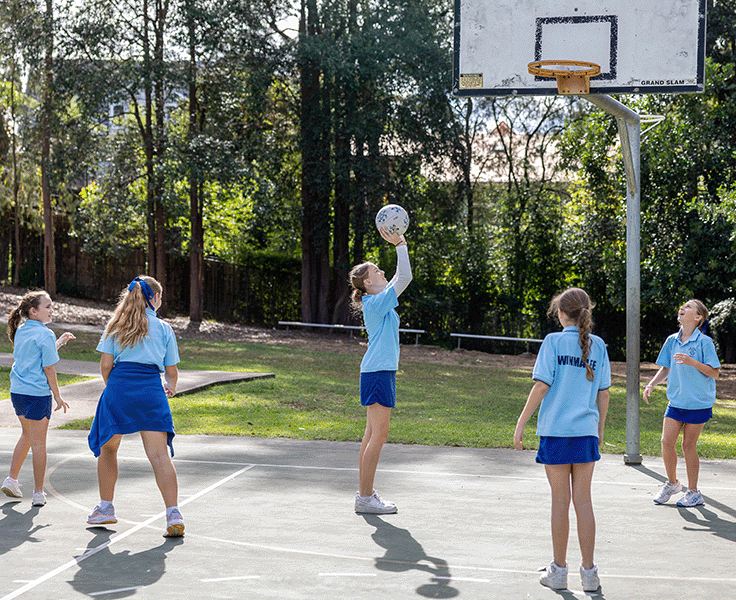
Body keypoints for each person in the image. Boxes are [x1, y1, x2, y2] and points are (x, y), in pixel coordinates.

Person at [514, 288, 610, 592]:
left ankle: (558, 571)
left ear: (560, 314)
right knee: (584, 502)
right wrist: (600, 428)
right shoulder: (600, 346)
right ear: (587, 312)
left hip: (556, 433)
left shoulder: (553, 342)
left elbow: (541, 386)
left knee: (560, 502)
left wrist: (521, 422)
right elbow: (604, 393)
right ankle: (589, 573)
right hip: (584, 434)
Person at [87, 276, 184, 537]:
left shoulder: (115, 324)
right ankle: (173, 513)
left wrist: (114, 389)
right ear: (154, 298)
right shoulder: (164, 328)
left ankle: (106, 508)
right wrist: (171, 387)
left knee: (108, 449)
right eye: (161, 298)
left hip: (119, 388)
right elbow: (171, 371)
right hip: (151, 391)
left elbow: (106, 366)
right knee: (160, 456)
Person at [349, 227, 412, 514]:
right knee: (379, 435)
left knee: (371, 434)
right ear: (366, 281)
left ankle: (365, 495)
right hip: (377, 373)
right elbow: (405, 277)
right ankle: (364, 497)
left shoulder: (377, 299)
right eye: (376, 269)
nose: (382, 270)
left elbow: (398, 279)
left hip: (377, 372)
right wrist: (400, 244)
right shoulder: (375, 302)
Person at [643, 299, 720, 507]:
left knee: (688, 446)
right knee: (666, 442)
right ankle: (672, 483)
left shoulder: (704, 343)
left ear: (698, 317)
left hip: (698, 403)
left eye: (688, 307)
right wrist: (651, 384)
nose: (682, 308)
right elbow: (666, 368)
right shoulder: (672, 340)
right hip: (676, 401)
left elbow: (714, 372)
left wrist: (692, 362)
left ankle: (694, 492)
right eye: (682, 306)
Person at [2, 291, 74, 506]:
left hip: (18, 392)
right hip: (37, 394)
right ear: (34, 311)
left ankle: (11, 480)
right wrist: (58, 396)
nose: (52, 310)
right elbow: (48, 367)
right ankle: (38, 493)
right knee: (39, 443)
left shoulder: (22, 330)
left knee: (26, 434)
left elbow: (35, 355)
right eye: (48, 307)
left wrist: (58, 342)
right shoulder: (45, 334)